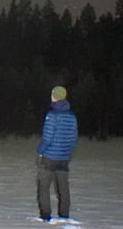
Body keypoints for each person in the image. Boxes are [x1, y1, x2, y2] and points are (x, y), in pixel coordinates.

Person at [36, 85, 78, 222]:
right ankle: (64, 215)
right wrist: (66, 152)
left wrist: (40, 151)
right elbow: (73, 139)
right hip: (63, 158)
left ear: (55, 97)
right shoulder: (72, 116)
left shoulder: (51, 115)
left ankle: (45, 215)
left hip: (49, 157)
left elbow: (47, 138)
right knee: (63, 188)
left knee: (43, 186)